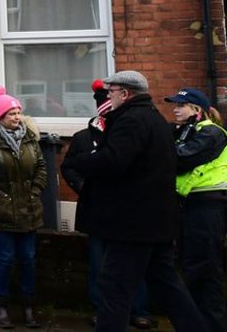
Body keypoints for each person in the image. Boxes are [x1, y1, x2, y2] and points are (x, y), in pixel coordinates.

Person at [63, 71, 208, 332]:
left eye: (112, 91)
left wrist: (80, 161)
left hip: (132, 223)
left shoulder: (131, 121)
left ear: (124, 93)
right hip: (156, 221)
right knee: (167, 286)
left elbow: (114, 160)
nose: (109, 96)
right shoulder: (155, 120)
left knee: (113, 286)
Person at [62, 80, 153, 329]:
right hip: (97, 211)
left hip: (127, 211)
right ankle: (100, 308)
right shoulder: (82, 138)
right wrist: (85, 189)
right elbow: (69, 167)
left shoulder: (130, 130)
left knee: (133, 263)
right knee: (99, 263)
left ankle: (139, 309)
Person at [0, 86, 46, 328]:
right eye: (12, 113)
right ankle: (0, 306)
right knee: (6, 258)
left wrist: (35, 190)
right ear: (0, 116)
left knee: (28, 258)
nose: (17, 116)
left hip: (29, 208)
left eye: (18, 112)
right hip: (2, 209)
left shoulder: (30, 138)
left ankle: (28, 306)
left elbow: (42, 166)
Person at [164, 87, 227, 332]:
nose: (175, 110)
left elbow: (181, 159)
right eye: (175, 105)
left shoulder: (211, 132)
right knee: (192, 267)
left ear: (197, 109)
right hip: (190, 206)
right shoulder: (187, 131)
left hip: (208, 206)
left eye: (181, 105)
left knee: (205, 271)